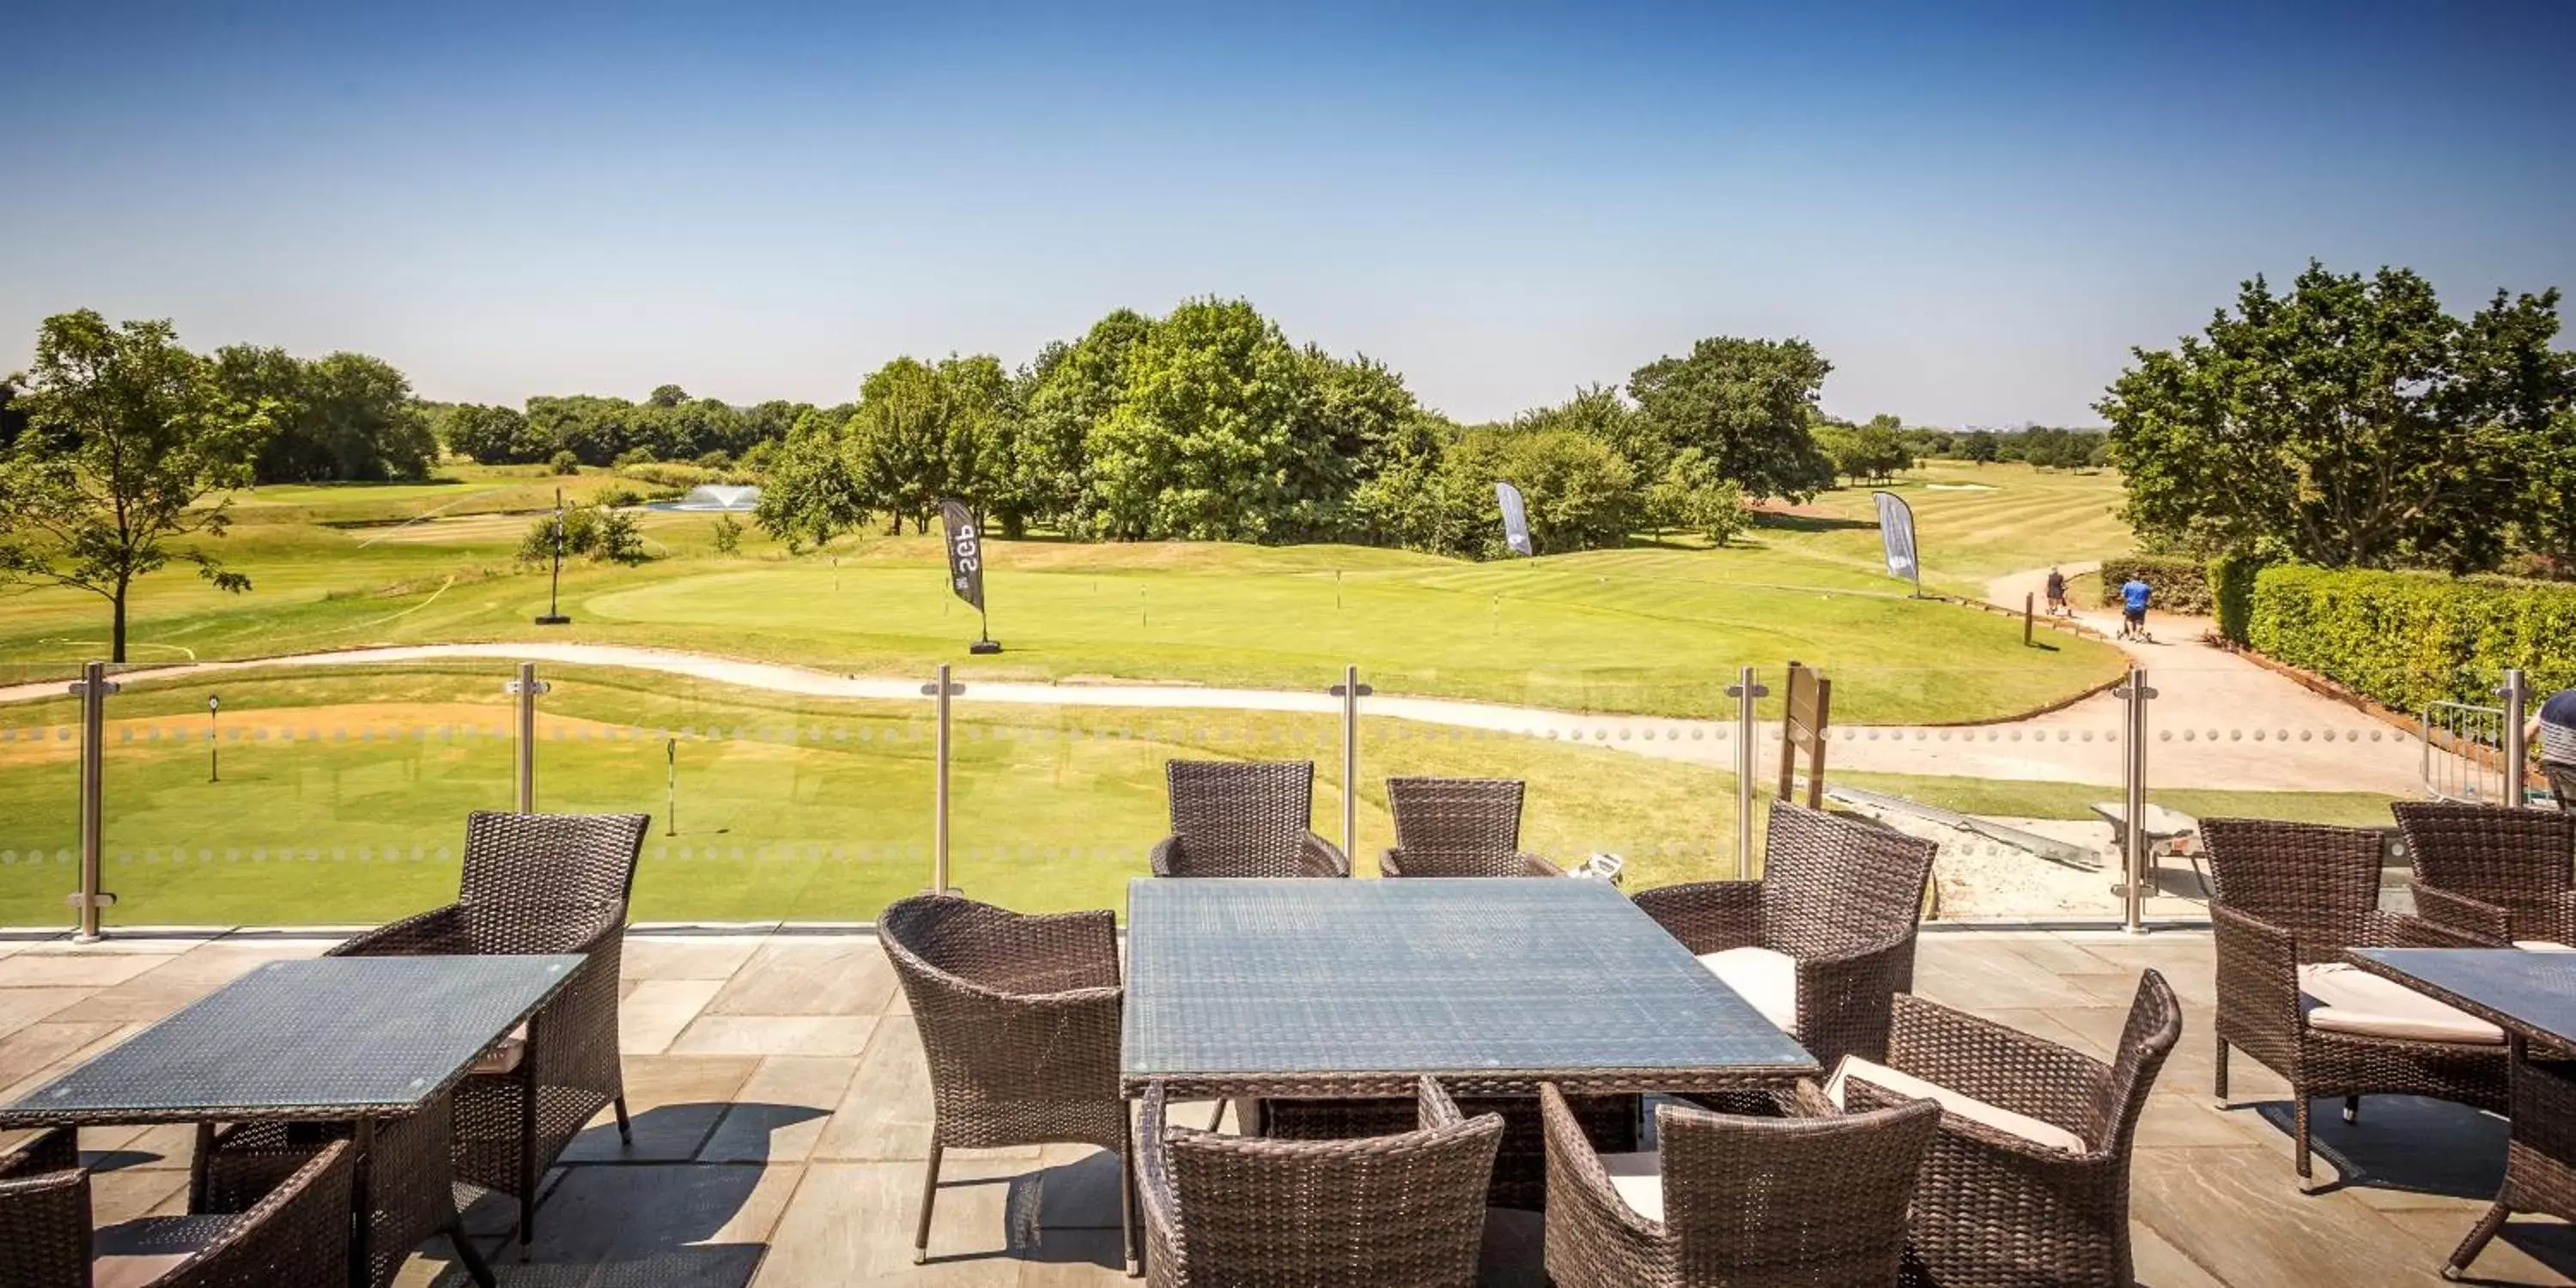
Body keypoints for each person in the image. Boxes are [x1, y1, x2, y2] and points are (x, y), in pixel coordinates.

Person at [2119, 574, 2152, 641]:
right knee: (2140, 621)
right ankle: (2137, 634)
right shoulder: (2145, 586)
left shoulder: (2127, 585)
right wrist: (2147, 604)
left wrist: (2126, 600)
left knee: (2129, 619)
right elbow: (2149, 595)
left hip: (2130, 606)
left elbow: (2122, 595)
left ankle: (2131, 633)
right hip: (2141, 606)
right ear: (2140, 579)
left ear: (2132, 578)